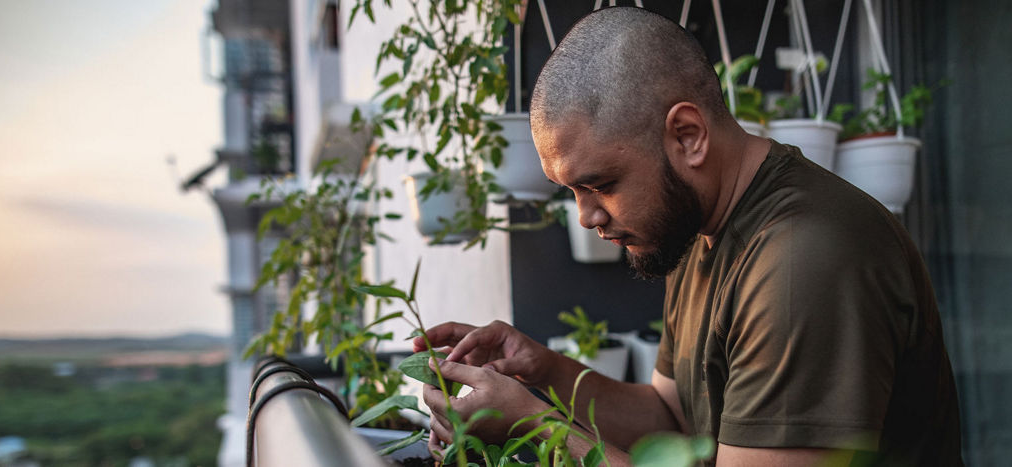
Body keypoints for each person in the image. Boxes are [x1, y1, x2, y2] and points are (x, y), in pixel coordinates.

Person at [412, 7, 962, 466]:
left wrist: (536, 425)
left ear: (688, 135)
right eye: (569, 191)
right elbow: (672, 418)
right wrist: (545, 373)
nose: (586, 217)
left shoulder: (803, 261)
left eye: (601, 184)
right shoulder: (695, 230)